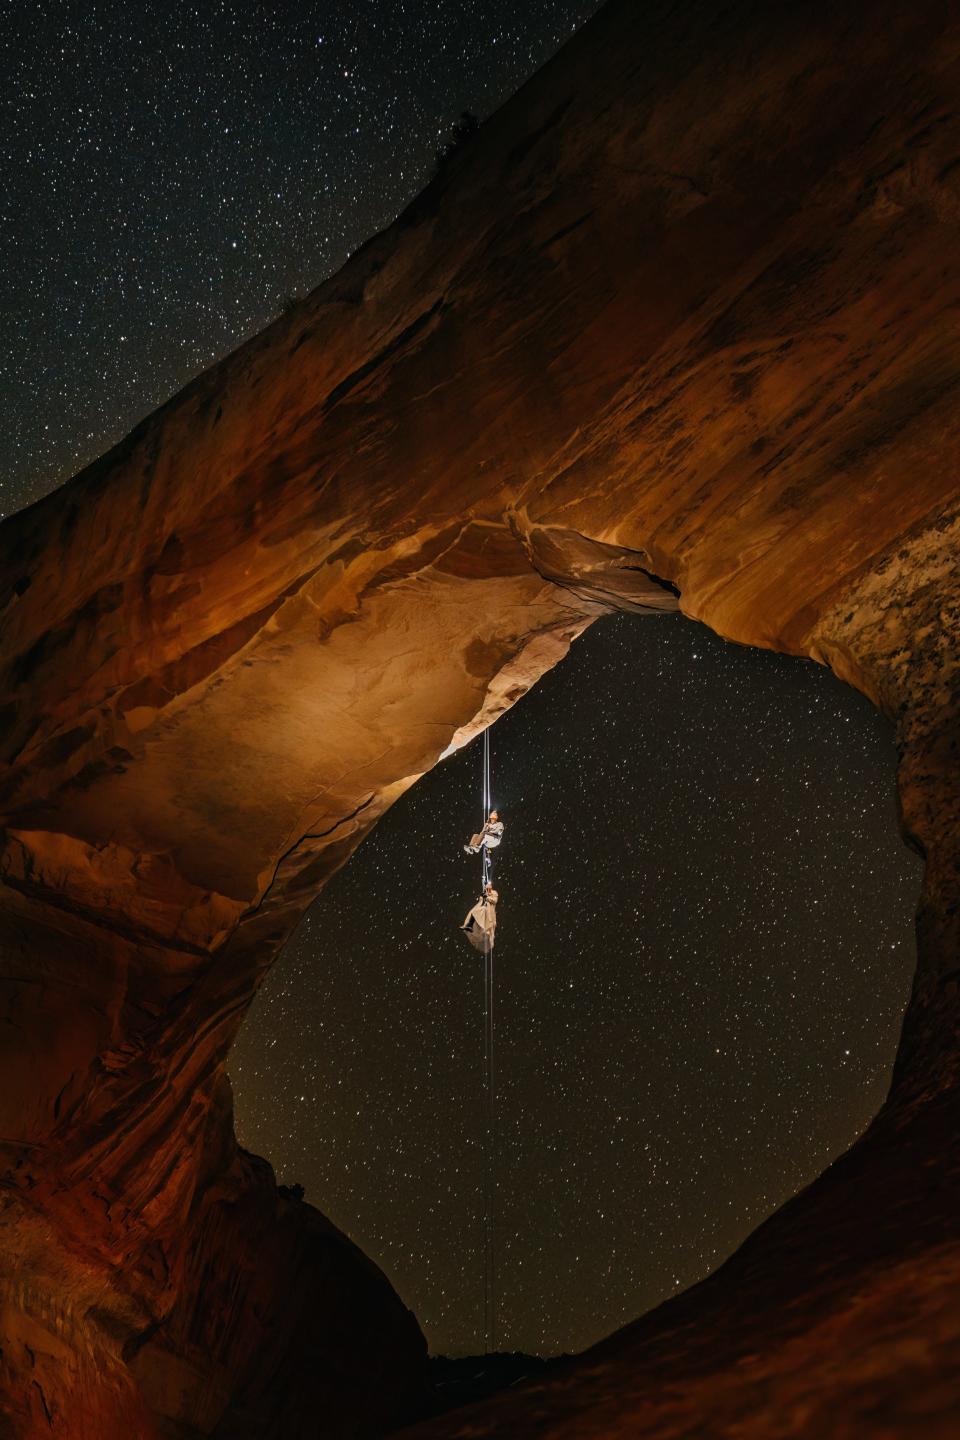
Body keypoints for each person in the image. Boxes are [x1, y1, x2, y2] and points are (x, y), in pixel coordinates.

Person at [461, 881, 499, 952]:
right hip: (483, 907)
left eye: (488, 887)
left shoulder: (494, 893)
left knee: (482, 914)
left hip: (489, 910)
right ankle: (470, 925)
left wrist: (487, 898)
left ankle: (484, 930)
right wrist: (483, 897)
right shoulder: (485, 892)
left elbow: (495, 900)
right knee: (474, 912)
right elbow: (481, 901)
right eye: (486, 887)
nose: (487, 888)